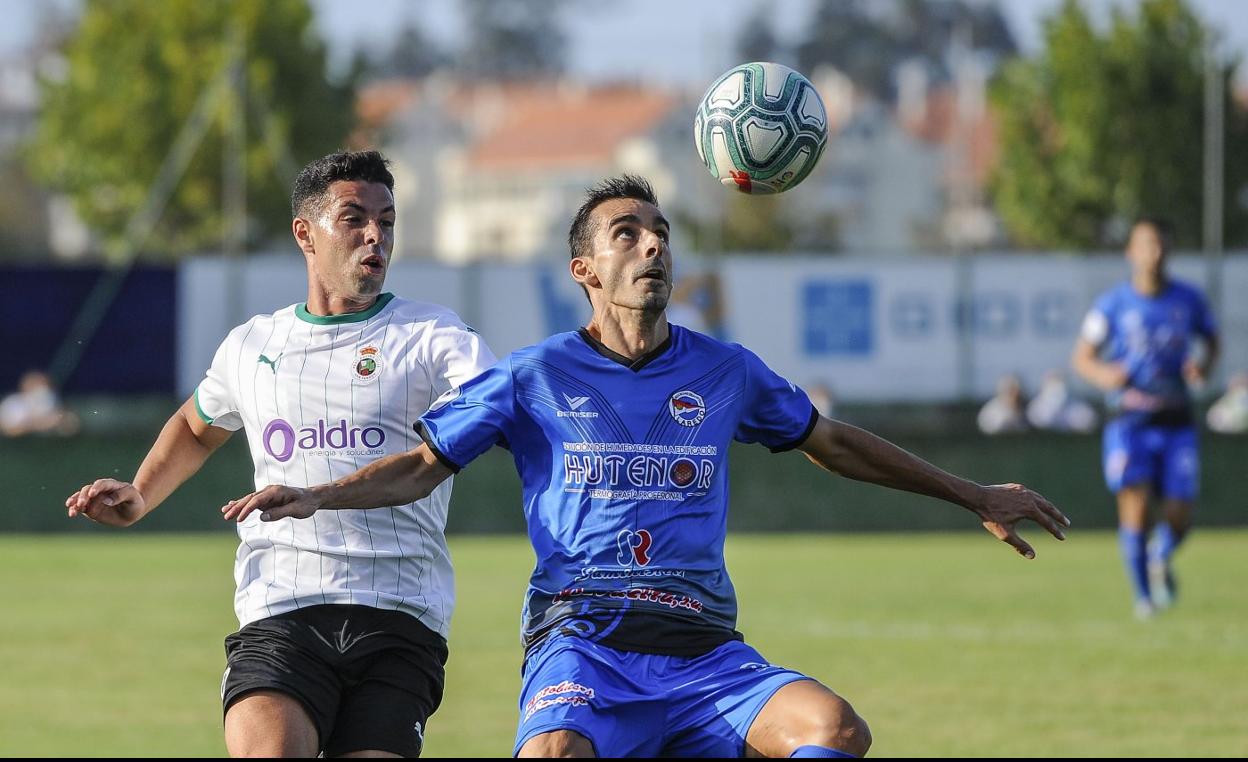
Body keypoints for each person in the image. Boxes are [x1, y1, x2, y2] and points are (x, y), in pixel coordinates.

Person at [225, 176, 1069, 758]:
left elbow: (835, 441)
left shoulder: (726, 371)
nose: (653, 247)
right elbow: (419, 466)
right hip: (582, 640)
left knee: (836, 730)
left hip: (704, 651)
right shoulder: (534, 374)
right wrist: (316, 496)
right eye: (627, 234)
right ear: (585, 270)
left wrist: (972, 492)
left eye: (661, 233)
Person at [64, 150, 496, 757]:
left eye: (388, 220)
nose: (376, 235)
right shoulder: (252, 345)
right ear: (305, 233)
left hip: (401, 616)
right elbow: (195, 425)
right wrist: (141, 495)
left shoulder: (431, 335)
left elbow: (495, 399)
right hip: (282, 610)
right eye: (354, 218)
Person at [1071, 217, 1219, 620]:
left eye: (1161, 244)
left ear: (1168, 251)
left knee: (1179, 514)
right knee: (1134, 504)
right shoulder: (1112, 304)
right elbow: (1082, 357)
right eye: (1146, 244)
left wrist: (1202, 368)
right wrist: (1105, 375)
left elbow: (1212, 340)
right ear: (1130, 252)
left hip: (1176, 419)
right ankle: (1144, 600)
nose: (1154, 253)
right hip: (1129, 421)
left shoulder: (1188, 300)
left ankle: (1161, 554)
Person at [0, 369, 79, 437]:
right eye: (36, 384)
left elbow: (66, 422)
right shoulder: (12, 403)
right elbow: (7, 430)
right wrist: (32, 425)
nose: (41, 389)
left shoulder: (50, 401)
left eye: (44, 384)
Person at [1026, 369, 1098, 433]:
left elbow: (1090, 422)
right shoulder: (1034, 409)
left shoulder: (1081, 410)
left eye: (1059, 382)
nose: (1057, 387)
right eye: (1054, 382)